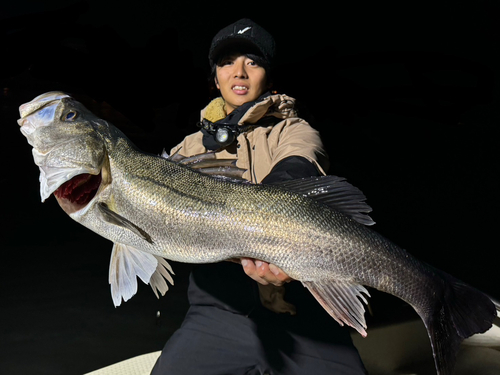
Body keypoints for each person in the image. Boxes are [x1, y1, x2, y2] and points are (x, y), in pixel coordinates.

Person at [151, 18, 367, 375]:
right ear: (215, 77)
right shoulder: (187, 150)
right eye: (227, 62)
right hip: (218, 312)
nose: (239, 72)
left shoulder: (294, 130)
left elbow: (296, 170)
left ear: (269, 75)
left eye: (253, 62)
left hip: (305, 311)